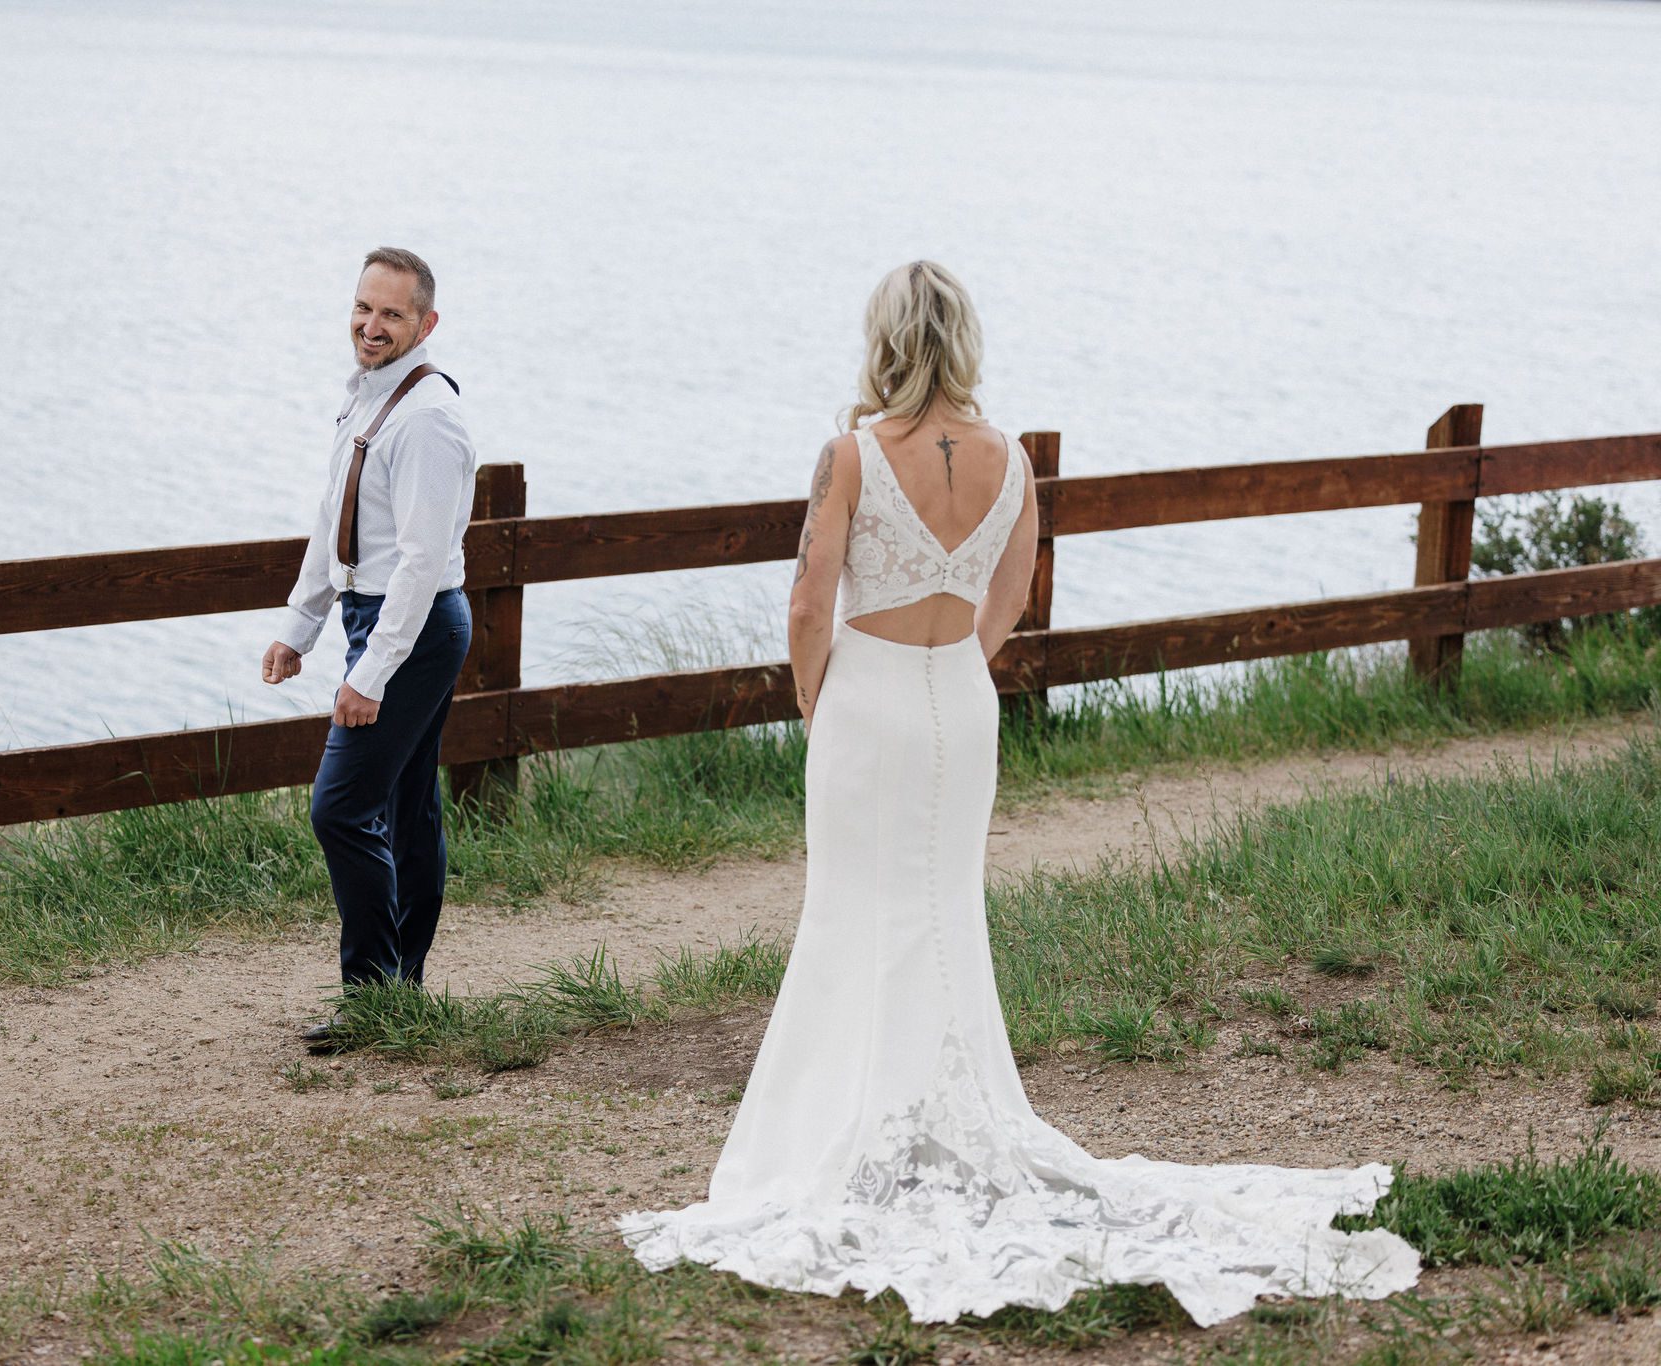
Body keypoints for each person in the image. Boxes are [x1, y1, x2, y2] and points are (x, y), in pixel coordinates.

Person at [616, 261, 1420, 1326]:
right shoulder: (1011, 461)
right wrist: (957, 666)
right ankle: (930, 1118)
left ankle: (844, 1132)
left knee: (850, 910)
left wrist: (820, 699)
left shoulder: (850, 454)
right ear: (962, 338)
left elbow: (809, 603)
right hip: (961, 700)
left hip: (866, 698)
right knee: (942, 910)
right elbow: (1010, 594)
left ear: (885, 340)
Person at [262, 247, 476, 1053]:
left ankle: (374, 992)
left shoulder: (427, 418)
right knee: (408, 809)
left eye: (391, 313)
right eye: (363, 307)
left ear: (426, 322)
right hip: (377, 617)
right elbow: (334, 520)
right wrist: (301, 627)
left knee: (342, 807)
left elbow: (421, 564)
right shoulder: (367, 398)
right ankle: (400, 993)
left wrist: (371, 673)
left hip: (412, 629)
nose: (371, 325)